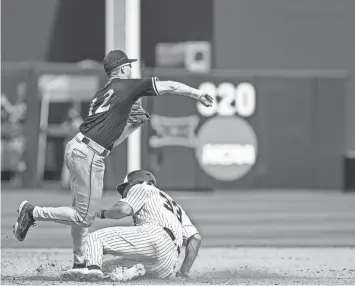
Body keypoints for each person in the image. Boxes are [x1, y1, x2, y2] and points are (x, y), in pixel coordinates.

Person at [12, 50, 212, 276]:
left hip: (81, 148)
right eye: (129, 66)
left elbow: (108, 139)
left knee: (81, 214)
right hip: (88, 153)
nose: (131, 69)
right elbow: (170, 87)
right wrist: (197, 94)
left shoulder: (102, 94)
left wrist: (131, 125)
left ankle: (80, 264)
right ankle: (33, 212)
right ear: (123, 68)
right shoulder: (127, 86)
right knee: (84, 216)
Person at [68, 170, 201, 281]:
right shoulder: (175, 206)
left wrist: (101, 213)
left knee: (95, 238)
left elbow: (124, 210)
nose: (125, 191)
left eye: (126, 187)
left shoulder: (141, 187)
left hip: (156, 236)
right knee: (106, 268)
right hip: (167, 265)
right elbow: (195, 239)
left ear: (134, 182)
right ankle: (132, 272)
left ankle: (93, 274)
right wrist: (184, 272)